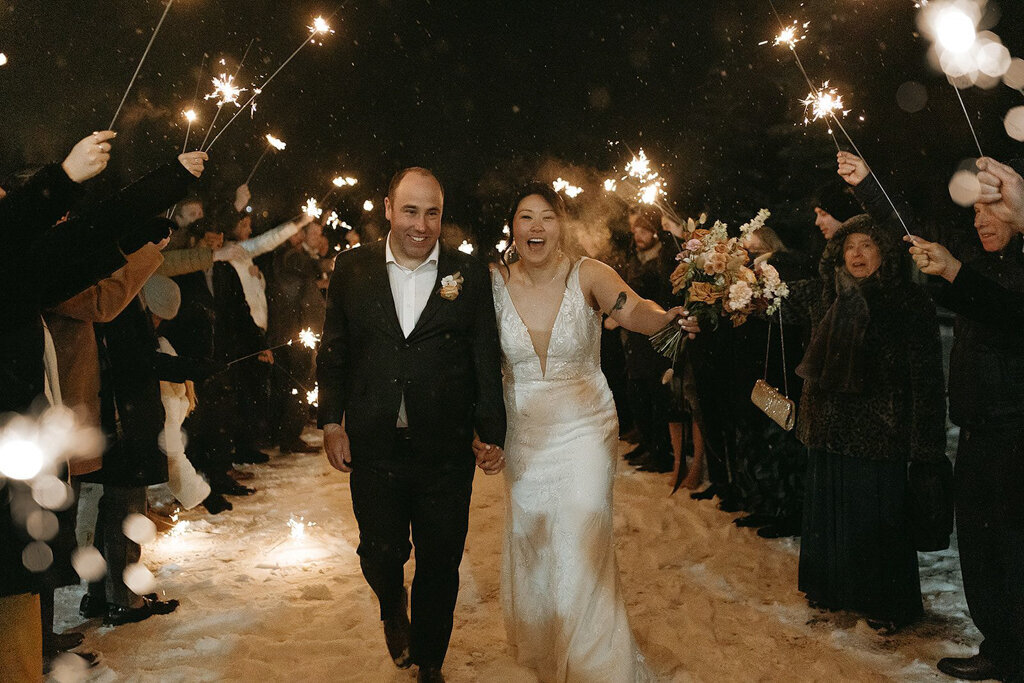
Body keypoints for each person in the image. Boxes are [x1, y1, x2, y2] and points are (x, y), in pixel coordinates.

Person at [489, 183, 696, 681]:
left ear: (563, 223)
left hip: (584, 428)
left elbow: (633, 308)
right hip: (525, 433)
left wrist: (665, 320)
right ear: (512, 227)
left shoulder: (589, 274)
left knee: (581, 539)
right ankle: (549, 648)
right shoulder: (491, 282)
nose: (536, 227)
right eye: (525, 217)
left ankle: (596, 665)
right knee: (537, 539)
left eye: (547, 217)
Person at [317, 168, 506, 683]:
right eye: (410, 210)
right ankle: (389, 604)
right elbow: (333, 351)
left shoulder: (468, 276)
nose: (421, 225)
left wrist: (492, 432)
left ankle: (430, 661)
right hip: (375, 446)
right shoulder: (352, 269)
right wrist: (331, 422)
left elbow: (483, 359)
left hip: (444, 450)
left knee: (440, 564)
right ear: (387, 208)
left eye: (432, 213)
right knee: (380, 553)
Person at [840, 153, 1024, 680]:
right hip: (976, 429)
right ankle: (1002, 645)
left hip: (1016, 432)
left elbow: (1006, 310)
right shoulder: (978, 261)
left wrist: (956, 271)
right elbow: (912, 234)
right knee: (982, 548)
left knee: (1013, 548)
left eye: (993, 211)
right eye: (976, 214)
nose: (980, 221)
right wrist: (869, 186)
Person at [778, 215, 948, 629]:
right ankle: (831, 589)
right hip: (827, 426)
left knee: (878, 523)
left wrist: (924, 444)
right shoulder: (824, 292)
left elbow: (925, 376)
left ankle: (886, 605)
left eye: (867, 246)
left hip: (879, 431)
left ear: (884, 254)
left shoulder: (906, 301)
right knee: (828, 513)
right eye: (850, 245)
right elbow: (770, 300)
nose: (857, 254)